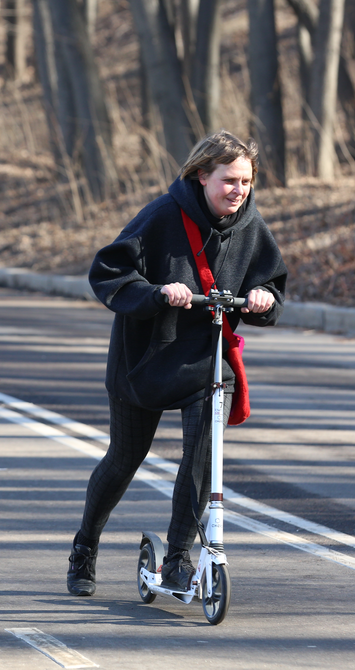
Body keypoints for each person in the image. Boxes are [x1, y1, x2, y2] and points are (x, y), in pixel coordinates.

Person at [66, 130, 287, 596]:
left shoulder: (250, 224)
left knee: (202, 458)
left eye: (246, 182)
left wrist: (265, 296)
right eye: (229, 181)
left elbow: (272, 281)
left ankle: (176, 559)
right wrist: (156, 293)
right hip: (144, 360)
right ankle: (85, 545)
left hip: (205, 362)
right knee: (125, 459)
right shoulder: (162, 216)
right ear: (202, 175)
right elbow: (107, 272)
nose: (238, 191)